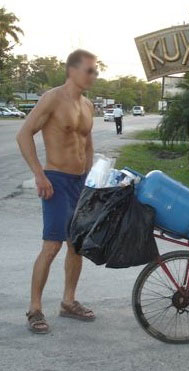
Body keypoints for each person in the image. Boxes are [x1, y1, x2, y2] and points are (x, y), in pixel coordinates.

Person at [16, 49, 98, 334]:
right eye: (89, 70)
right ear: (72, 70)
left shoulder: (88, 105)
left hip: (80, 183)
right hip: (56, 179)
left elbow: (87, 144)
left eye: (95, 70)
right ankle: (35, 308)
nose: (94, 75)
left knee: (77, 245)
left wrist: (91, 180)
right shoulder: (52, 98)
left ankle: (68, 301)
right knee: (52, 246)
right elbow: (24, 133)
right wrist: (39, 174)